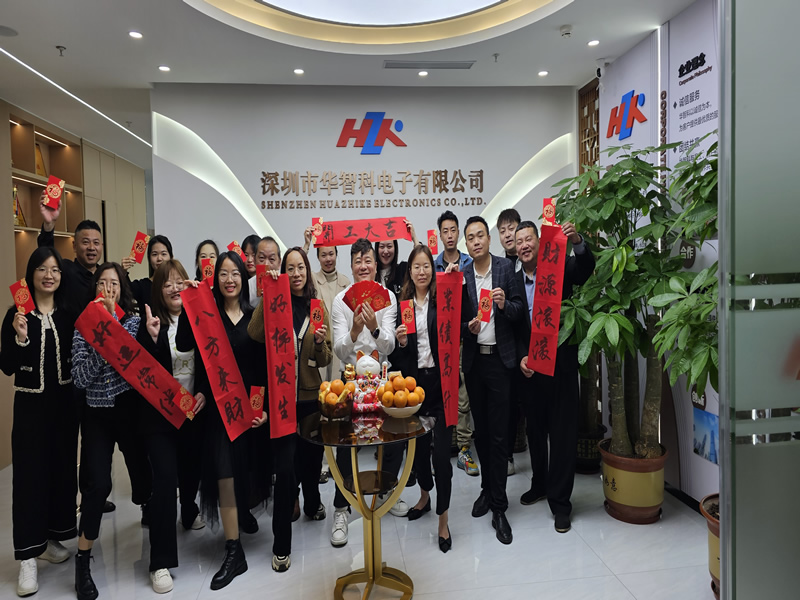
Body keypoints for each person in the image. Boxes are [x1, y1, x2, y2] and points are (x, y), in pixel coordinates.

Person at [176, 251, 268, 590]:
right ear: (215, 279)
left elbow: (261, 367)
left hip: (248, 411)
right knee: (224, 473)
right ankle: (234, 550)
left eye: (236, 273)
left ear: (244, 279)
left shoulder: (253, 317)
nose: (230, 280)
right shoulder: (208, 315)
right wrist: (189, 305)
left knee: (245, 470)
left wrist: (262, 409)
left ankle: (241, 513)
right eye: (223, 274)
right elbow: (184, 345)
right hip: (219, 412)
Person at [71, 262, 152, 600]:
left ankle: (149, 511)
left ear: (122, 289)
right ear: (95, 290)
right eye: (102, 283)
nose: (108, 289)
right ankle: (82, 561)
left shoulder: (133, 323)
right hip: (96, 414)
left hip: (128, 411)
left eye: (114, 284)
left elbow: (131, 366)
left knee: (142, 474)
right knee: (98, 485)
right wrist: (101, 340)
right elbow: (79, 378)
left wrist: (109, 330)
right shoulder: (81, 328)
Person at [248, 247, 333, 570]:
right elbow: (255, 334)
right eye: (290, 268)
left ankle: (312, 504)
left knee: (311, 462)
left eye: (301, 268)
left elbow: (325, 359)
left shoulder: (316, 307)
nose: (296, 273)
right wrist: (267, 295)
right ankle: (281, 545)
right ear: (283, 272)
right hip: (282, 400)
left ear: (307, 272)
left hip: (310, 398)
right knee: (284, 471)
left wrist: (320, 342)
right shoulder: (276, 303)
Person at [1, 248, 78, 597]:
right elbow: (7, 365)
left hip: (63, 409)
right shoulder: (17, 314)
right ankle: (27, 557)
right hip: (30, 411)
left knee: (60, 473)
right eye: (43, 269)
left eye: (55, 270)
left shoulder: (67, 315)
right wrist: (20, 337)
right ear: (31, 274)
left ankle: (48, 540)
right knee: (29, 480)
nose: (49, 275)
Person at [515, 221, 595, 534]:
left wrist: (577, 241)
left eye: (528, 239)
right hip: (531, 369)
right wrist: (521, 356)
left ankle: (561, 503)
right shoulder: (513, 279)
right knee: (535, 432)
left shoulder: (559, 267)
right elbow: (511, 325)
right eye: (519, 241)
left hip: (561, 364)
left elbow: (585, 269)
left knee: (562, 434)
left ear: (539, 242)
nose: (524, 245)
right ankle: (540, 484)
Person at [137, 259, 209, 593]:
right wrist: (152, 338)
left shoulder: (197, 318)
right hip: (160, 419)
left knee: (192, 468)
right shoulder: (150, 322)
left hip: (193, 411)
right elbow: (142, 372)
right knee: (165, 480)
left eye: (179, 281)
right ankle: (160, 561)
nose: (175, 288)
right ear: (158, 289)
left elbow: (211, 361)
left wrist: (203, 393)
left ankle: (189, 509)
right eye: (167, 283)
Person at [329, 238, 407, 547]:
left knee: (392, 437)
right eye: (358, 261)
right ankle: (341, 507)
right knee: (344, 444)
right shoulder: (340, 301)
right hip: (349, 379)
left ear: (376, 265)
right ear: (351, 266)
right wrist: (354, 331)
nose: (363, 266)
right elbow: (338, 349)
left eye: (368, 261)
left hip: (382, 379)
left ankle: (386, 491)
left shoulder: (388, 297)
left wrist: (374, 327)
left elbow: (389, 345)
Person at [460, 216, 525, 545]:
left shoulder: (505, 268)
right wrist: (468, 328)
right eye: (470, 237)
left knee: (500, 436)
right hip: (475, 364)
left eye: (480, 235)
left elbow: (520, 309)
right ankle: (487, 489)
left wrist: (503, 305)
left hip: (501, 362)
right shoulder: (461, 276)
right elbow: (455, 321)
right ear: (467, 244)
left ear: (489, 238)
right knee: (482, 434)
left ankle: (499, 506)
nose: (476, 241)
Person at [390, 245, 454, 553]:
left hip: (442, 385)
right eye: (416, 266)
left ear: (433, 269)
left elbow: (456, 327)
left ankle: (443, 520)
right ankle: (425, 497)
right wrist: (402, 342)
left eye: (426, 265)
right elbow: (399, 359)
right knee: (417, 455)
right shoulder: (403, 306)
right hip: (414, 388)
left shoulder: (443, 301)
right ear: (410, 272)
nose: (422, 271)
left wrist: (454, 283)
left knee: (441, 457)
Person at [433, 211, 479, 478]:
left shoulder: (469, 264)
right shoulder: (434, 265)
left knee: (463, 397)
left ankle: (464, 449)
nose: (449, 235)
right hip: (440, 340)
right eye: (445, 231)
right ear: (439, 235)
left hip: (464, 338)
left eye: (453, 230)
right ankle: (438, 450)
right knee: (439, 394)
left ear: (458, 232)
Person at [496, 208, 525, 476]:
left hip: (531, 344)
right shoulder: (499, 267)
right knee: (509, 404)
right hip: (507, 348)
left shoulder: (531, 262)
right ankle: (506, 456)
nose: (507, 235)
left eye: (511, 228)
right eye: (502, 231)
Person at [302, 229, 350, 383]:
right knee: (320, 389)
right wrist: (306, 245)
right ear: (317, 257)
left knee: (338, 389)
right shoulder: (311, 280)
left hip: (340, 346)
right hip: (318, 343)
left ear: (336, 255)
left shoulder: (346, 283)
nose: (328, 259)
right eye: (323, 255)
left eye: (331, 254)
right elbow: (299, 267)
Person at [37, 196, 102, 309]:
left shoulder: (105, 274)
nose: (91, 247)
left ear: (102, 246)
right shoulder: (65, 271)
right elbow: (47, 254)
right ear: (74, 246)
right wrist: (49, 225)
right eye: (85, 242)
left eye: (96, 243)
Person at [121, 234, 173, 317]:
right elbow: (125, 291)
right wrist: (123, 271)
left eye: (163, 254)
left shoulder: (178, 285)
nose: (159, 258)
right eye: (154, 254)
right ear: (149, 259)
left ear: (171, 257)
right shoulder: (142, 286)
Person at [375, 219, 419, 296]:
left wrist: (415, 239)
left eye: (389, 246)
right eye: (382, 247)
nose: (386, 251)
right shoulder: (372, 274)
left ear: (395, 248)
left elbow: (420, 264)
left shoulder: (403, 270)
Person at [247, 237, 281, 303]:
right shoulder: (248, 287)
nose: (266, 264)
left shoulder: (286, 285)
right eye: (262, 258)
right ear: (254, 260)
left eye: (271, 259)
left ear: (279, 263)